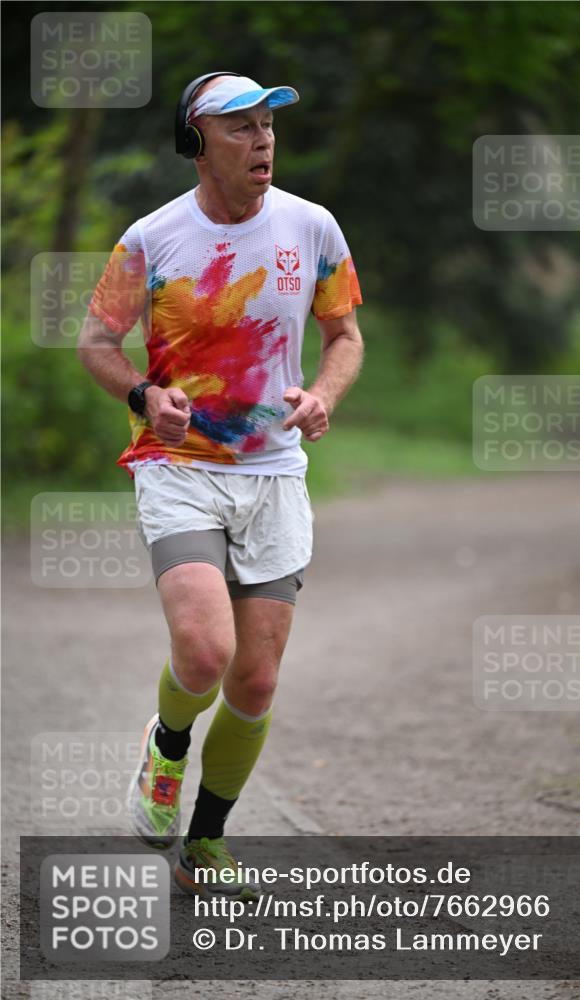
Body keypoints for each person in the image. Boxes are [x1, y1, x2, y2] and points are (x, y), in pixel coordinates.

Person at [78, 72, 364, 895]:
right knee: (205, 652)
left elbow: (344, 335)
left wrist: (322, 395)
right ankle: (166, 749)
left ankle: (205, 840)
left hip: (273, 471)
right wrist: (142, 395)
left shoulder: (311, 227)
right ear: (196, 141)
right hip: (180, 467)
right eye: (240, 126)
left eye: (267, 124)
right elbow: (96, 340)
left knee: (257, 678)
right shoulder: (151, 238)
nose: (262, 139)